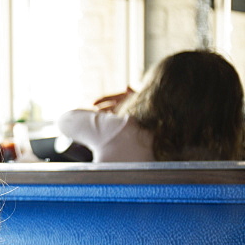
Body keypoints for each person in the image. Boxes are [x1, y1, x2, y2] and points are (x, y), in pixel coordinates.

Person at [55, 50, 245, 162]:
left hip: (117, 229)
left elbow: (67, 120)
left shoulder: (122, 130)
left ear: (154, 95)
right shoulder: (228, 154)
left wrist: (128, 103)